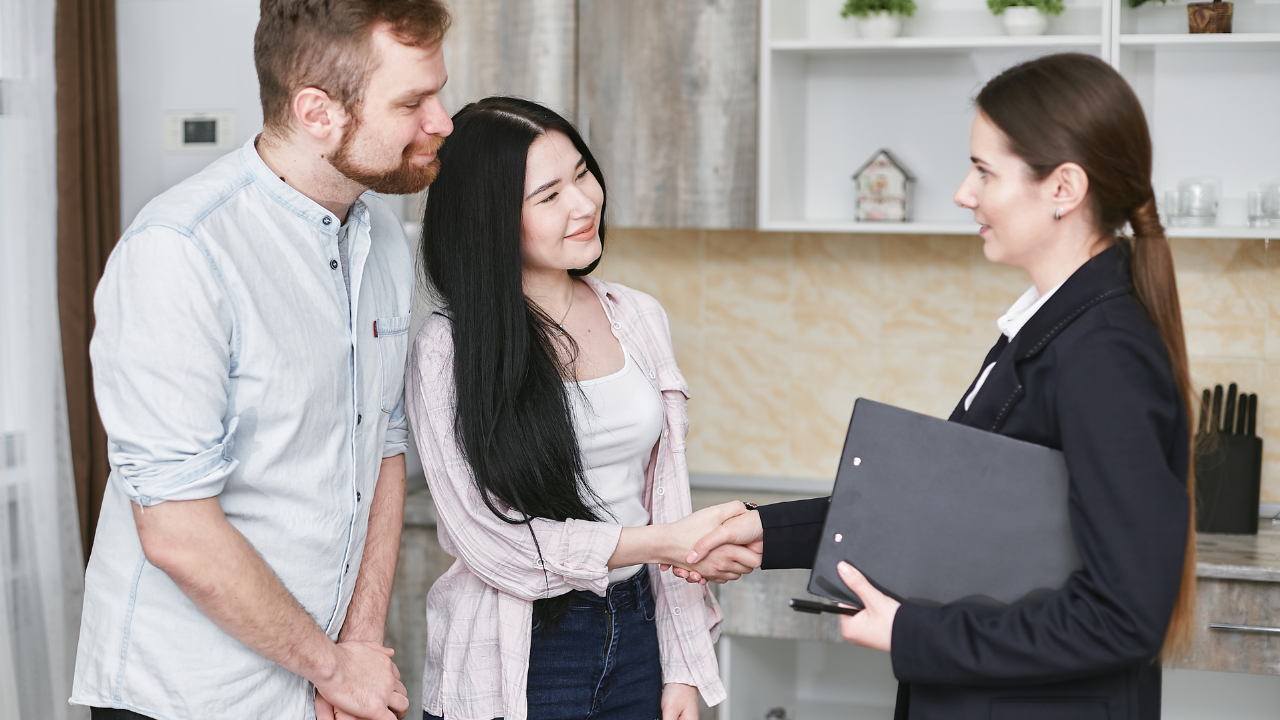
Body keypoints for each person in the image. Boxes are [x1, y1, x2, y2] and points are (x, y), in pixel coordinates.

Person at [678, 53, 1198, 720]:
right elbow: (949, 516)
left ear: (1063, 188)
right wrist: (763, 533)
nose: (963, 192)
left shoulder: (1105, 353)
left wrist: (912, 633)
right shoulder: (1050, 328)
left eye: (984, 170)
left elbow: (1122, 618)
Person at [69, 2, 453, 718]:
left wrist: (358, 647)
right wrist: (334, 665)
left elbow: (385, 443)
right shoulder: (180, 252)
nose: (442, 121)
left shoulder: (385, 239)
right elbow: (178, 533)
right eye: (412, 101)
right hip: (186, 696)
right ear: (316, 112)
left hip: (323, 680)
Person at [406, 96, 760, 720]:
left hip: (639, 633)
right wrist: (663, 543)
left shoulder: (638, 316)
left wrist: (681, 669)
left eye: (582, 174)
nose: (584, 203)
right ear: (488, 219)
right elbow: (492, 546)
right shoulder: (448, 349)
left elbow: (665, 498)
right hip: (519, 650)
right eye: (548, 196)